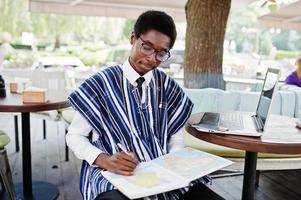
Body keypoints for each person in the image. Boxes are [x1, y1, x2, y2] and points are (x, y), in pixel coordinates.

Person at [66, 10, 224, 200]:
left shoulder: (168, 87)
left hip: (163, 172)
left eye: (161, 53)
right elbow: (74, 136)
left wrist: (175, 163)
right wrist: (104, 159)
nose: (152, 58)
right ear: (133, 38)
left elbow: (175, 138)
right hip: (114, 174)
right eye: (147, 47)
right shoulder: (100, 84)